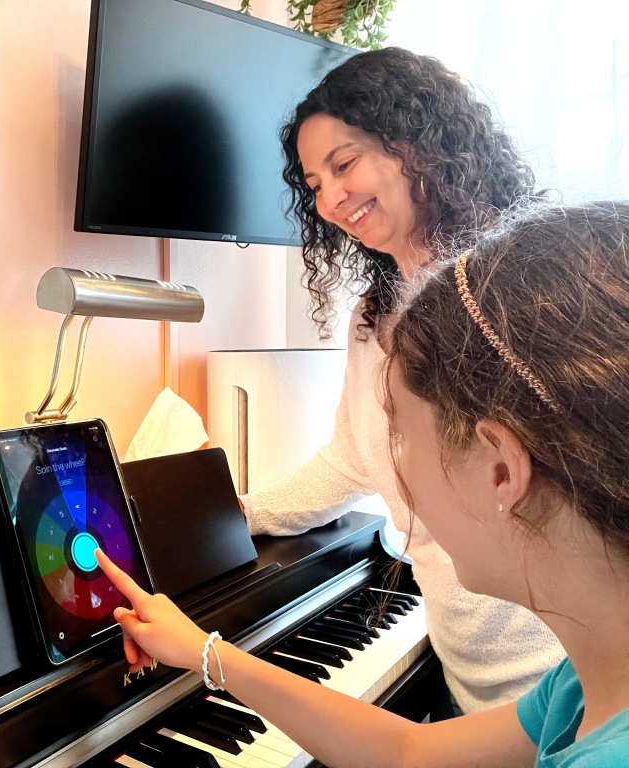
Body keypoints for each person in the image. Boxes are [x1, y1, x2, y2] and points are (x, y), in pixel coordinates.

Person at [100, 200, 629, 767]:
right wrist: (207, 653)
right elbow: (408, 750)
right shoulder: (583, 682)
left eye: (399, 434)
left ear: (501, 471)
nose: (394, 476)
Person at [242, 46, 564, 715]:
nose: (329, 197)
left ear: (413, 145)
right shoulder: (373, 316)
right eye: (312, 184)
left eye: (344, 164)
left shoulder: (516, 286)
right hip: (462, 667)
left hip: (562, 670)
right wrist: (239, 515)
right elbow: (349, 460)